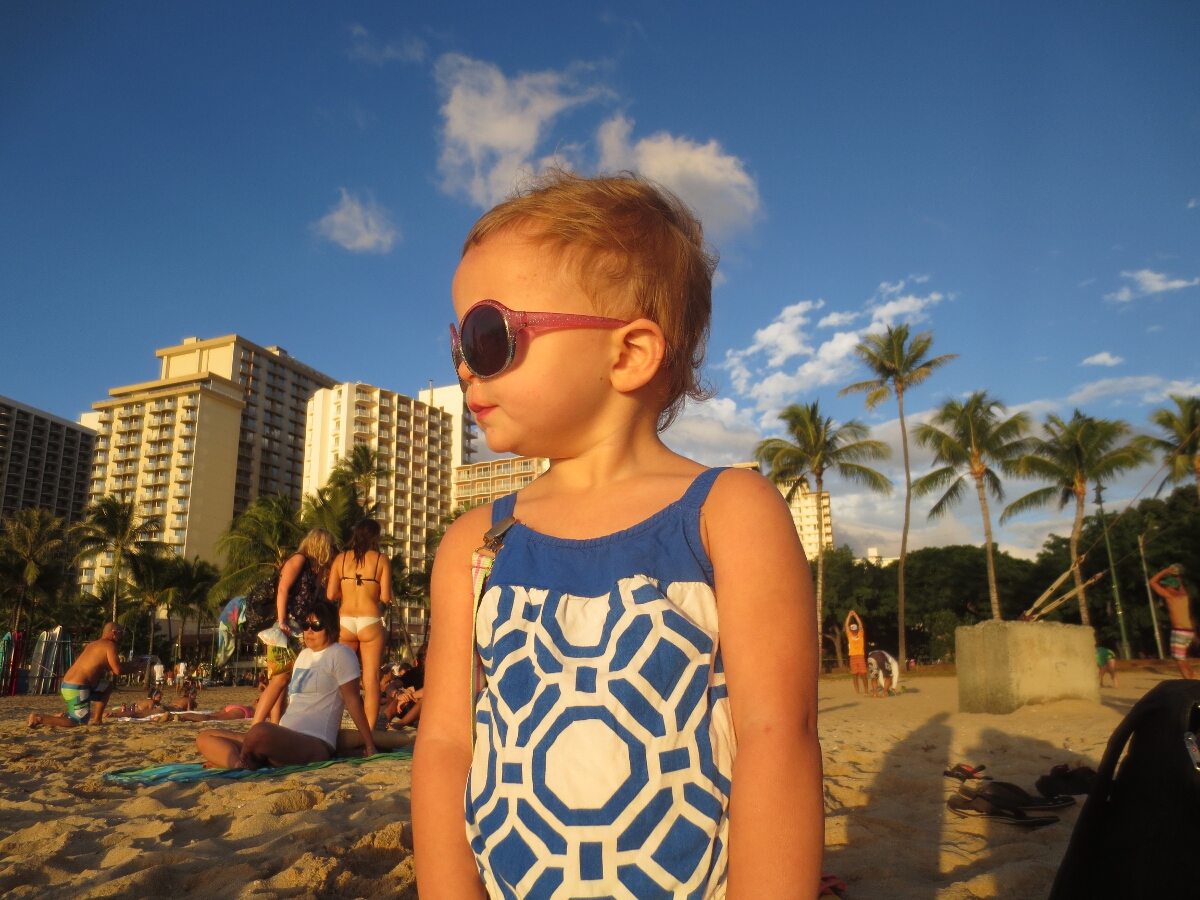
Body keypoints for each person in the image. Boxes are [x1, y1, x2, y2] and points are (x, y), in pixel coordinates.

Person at [411, 171, 822, 898]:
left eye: (488, 336)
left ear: (629, 353)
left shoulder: (727, 513)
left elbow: (777, 737)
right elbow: (446, 744)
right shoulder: (476, 543)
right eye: (458, 345)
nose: (467, 368)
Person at [195, 599, 377, 768]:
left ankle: (245, 756)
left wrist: (369, 745)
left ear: (331, 629)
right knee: (205, 736)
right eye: (305, 625)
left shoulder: (341, 654)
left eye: (316, 626)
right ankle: (238, 763)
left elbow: (353, 700)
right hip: (283, 736)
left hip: (314, 740)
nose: (309, 631)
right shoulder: (303, 656)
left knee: (260, 731)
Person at [262, 527, 337, 722]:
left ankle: (277, 724)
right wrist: (281, 621)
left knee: (285, 680)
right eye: (329, 546)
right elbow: (282, 589)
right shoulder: (298, 559)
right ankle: (259, 723)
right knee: (280, 678)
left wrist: (321, 572)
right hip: (284, 625)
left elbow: (312, 598)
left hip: (298, 626)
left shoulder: (313, 568)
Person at [328, 518, 393, 729]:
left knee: (342, 678)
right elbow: (385, 597)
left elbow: (331, 594)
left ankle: (334, 727)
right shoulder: (381, 559)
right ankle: (369, 733)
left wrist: (347, 592)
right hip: (369, 619)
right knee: (372, 678)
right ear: (376, 537)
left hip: (345, 620)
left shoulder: (341, 559)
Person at [28, 623, 149, 727]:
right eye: (121, 633)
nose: (121, 636)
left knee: (107, 686)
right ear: (114, 633)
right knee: (77, 722)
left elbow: (111, 667)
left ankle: (97, 720)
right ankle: (39, 718)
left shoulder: (93, 644)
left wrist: (134, 663)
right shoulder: (110, 645)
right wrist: (136, 668)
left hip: (72, 684)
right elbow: (117, 670)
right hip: (77, 688)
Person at [1150, 565, 1195, 679]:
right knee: (1182, 657)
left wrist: (1166, 570)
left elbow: (1152, 582)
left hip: (1179, 630)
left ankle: (1188, 680)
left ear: (1172, 587)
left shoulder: (1170, 596)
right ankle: (1193, 676)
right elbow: (1180, 585)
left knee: (1178, 659)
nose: (1165, 587)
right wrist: (1176, 575)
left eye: (1167, 585)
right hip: (1189, 631)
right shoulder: (1184, 595)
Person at [845, 610, 869, 694]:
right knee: (855, 674)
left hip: (860, 656)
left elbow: (860, 625)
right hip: (852, 656)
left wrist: (855, 615)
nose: (854, 632)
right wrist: (849, 615)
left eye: (855, 630)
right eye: (853, 631)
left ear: (857, 630)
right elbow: (846, 626)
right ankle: (857, 691)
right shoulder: (850, 635)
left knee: (863, 674)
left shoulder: (860, 634)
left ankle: (866, 690)